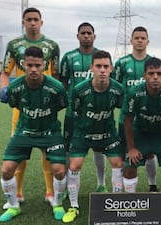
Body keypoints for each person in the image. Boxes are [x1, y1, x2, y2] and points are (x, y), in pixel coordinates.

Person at [0, 7, 60, 209]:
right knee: (19, 150)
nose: (32, 23)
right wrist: (4, 89)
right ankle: (17, 192)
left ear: (41, 22)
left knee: (48, 151)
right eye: (29, 19)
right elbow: (5, 72)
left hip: (46, 104)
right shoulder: (14, 45)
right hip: (23, 106)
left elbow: (57, 75)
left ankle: (51, 192)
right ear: (23, 22)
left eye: (36, 19)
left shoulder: (52, 46)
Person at [0, 46, 67, 222]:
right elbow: (15, 105)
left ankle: (57, 203)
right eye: (30, 65)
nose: (34, 69)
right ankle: (14, 206)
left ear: (44, 65)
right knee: (6, 170)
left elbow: (61, 105)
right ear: (23, 65)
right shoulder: (15, 87)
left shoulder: (56, 87)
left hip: (50, 132)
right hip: (25, 131)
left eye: (38, 65)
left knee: (59, 171)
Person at [62, 50, 124, 223]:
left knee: (118, 163)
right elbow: (75, 110)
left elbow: (124, 111)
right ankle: (74, 206)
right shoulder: (80, 90)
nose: (102, 70)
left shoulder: (118, 89)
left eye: (106, 66)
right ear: (91, 68)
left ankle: (116, 203)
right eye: (98, 66)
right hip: (83, 133)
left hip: (107, 133)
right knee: (75, 164)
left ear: (111, 68)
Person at [122, 57, 161, 193]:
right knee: (130, 165)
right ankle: (130, 202)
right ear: (144, 76)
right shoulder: (134, 92)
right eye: (151, 74)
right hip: (141, 133)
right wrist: (131, 148)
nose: (155, 77)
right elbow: (127, 121)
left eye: (159, 73)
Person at [59, 22, 107, 192]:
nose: (86, 36)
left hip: (98, 113)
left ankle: (101, 184)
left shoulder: (101, 57)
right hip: (74, 114)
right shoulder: (69, 57)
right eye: (83, 33)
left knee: (99, 149)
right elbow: (63, 82)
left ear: (94, 36)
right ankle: (66, 187)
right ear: (77, 36)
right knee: (68, 149)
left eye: (89, 33)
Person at [112, 26, 158, 192]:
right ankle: (124, 190)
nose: (139, 40)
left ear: (147, 41)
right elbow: (115, 88)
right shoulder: (121, 63)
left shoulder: (154, 63)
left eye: (142, 38)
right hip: (126, 119)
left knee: (150, 153)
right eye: (136, 38)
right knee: (125, 154)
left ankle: (153, 185)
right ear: (131, 41)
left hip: (148, 119)